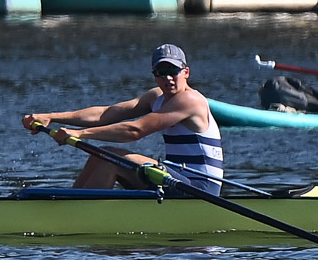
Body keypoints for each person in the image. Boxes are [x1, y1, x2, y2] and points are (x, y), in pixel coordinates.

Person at [24, 43, 223, 194]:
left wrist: (79, 134)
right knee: (100, 154)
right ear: (155, 75)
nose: (168, 78)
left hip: (200, 187)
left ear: (186, 72)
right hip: (177, 177)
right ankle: (68, 206)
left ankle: (77, 216)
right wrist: (50, 117)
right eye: (162, 73)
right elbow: (105, 114)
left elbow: (135, 130)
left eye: (173, 72)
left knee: (110, 159)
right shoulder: (156, 97)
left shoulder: (189, 100)